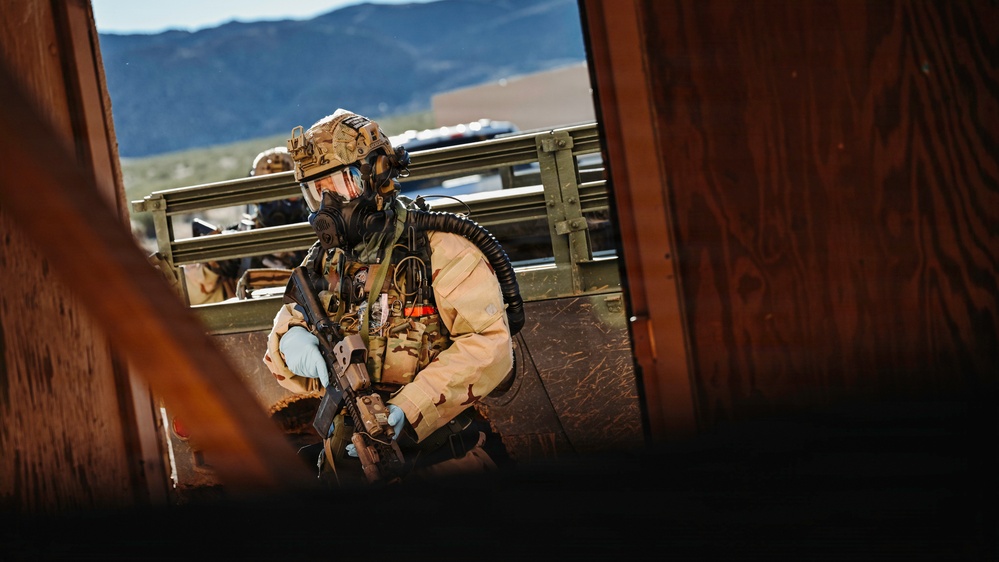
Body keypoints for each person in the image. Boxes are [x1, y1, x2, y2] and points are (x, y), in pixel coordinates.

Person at [262, 108, 524, 485]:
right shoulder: (324, 261)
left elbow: (489, 346)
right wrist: (290, 342)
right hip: (347, 468)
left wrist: (409, 409)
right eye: (316, 192)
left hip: (440, 461)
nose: (327, 205)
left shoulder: (442, 249)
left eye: (339, 185)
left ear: (377, 176)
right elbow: (288, 327)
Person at [184, 146, 310, 305]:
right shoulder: (240, 237)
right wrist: (214, 263)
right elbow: (190, 294)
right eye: (267, 192)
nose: (278, 202)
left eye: (287, 191)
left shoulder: (321, 232)